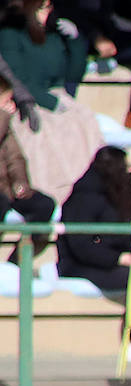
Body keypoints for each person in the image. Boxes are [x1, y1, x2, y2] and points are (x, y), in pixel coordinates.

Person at [58, 145, 131, 364]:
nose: (129, 172)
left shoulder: (116, 195)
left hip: (108, 261)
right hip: (79, 264)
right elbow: (81, 244)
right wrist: (117, 258)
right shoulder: (84, 197)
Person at [0, 0, 104, 203]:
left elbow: (73, 74)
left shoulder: (53, 36)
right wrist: (48, 102)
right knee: (48, 135)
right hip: (30, 100)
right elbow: (18, 77)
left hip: (60, 97)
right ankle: (57, 194)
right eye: (42, 8)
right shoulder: (10, 35)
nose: (48, 12)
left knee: (83, 123)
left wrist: (75, 42)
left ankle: (86, 193)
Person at [53, 0, 131, 127]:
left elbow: (130, 6)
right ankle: (65, 109)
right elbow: (65, 11)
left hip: (107, 34)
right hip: (74, 34)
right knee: (71, 50)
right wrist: (95, 36)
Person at [0, 73, 55, 262]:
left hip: (6, 189)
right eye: (6, 100)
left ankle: (16, 263)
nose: (12, 106)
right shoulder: (4, 120)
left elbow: (15, 158)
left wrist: (20, 184)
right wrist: (3, 117)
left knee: (44, 204)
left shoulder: (5, 125)